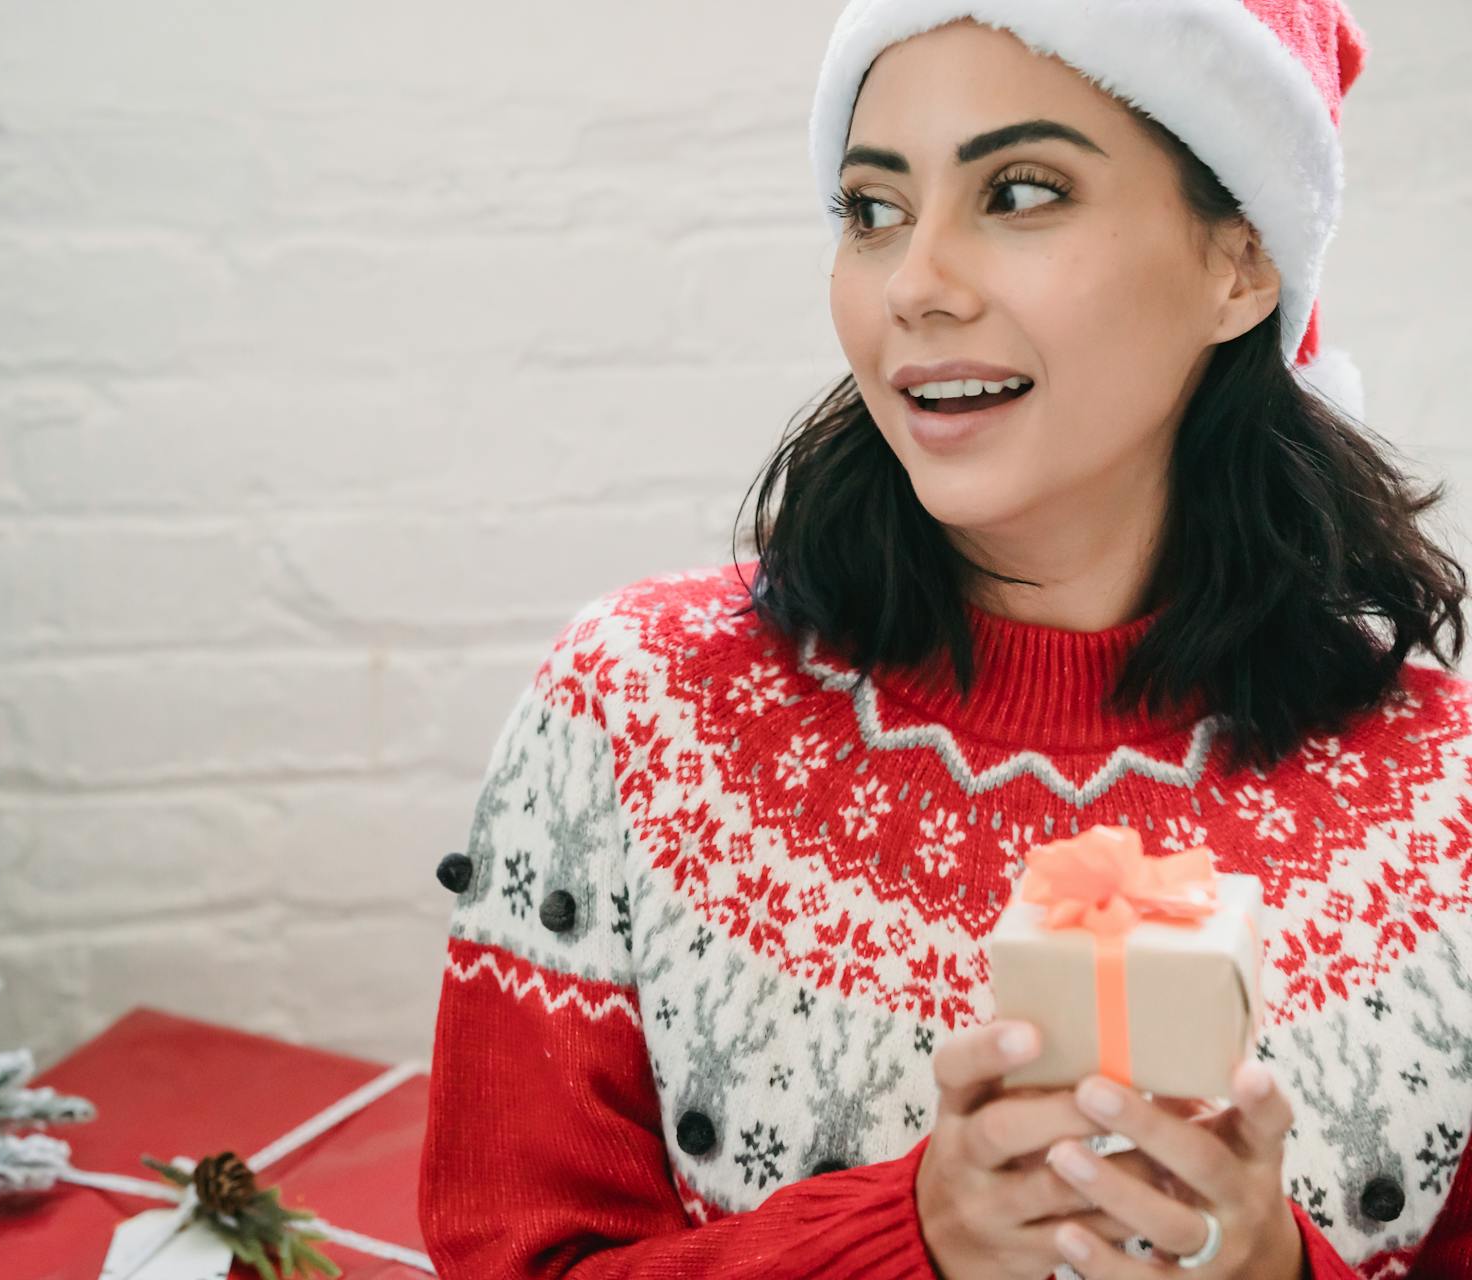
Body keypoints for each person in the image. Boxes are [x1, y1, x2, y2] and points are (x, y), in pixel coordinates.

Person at [417, 2, 1472, 1277]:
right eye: (872, 211)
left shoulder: (1448, 800)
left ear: (1242, 260)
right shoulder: (634, 709)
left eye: (1021, 191)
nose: (915, 284)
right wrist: (905, 1237)